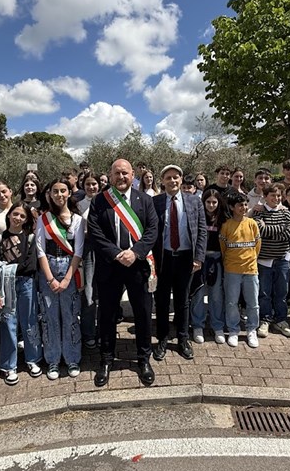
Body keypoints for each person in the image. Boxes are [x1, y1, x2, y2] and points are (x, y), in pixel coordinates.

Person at [88, 159, 158, 387]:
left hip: (137, 265)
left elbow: (152, 230)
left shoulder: (145, 200)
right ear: (110, 175)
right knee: (107, 315)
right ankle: (106, 360)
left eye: (125, 173)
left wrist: (135, 252)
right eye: (117, 173)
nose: (121, 177)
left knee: (143, 314)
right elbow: (96, 233)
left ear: (132, 175)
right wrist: (118, 254)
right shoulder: (99, 201)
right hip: (110, 266)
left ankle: (143, 358)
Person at [151, 165, 207, 361]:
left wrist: (199, 257)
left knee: (183, 301)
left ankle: (183, 339)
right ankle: (163, 339)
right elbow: (150, 232)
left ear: (181, 180)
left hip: (186, 259)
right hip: (163, 258)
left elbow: (202, 230)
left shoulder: (194, 201)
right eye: (168, 178)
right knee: (162, 301)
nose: (172, 181)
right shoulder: (155, 202)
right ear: (163, 181)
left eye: (176, 177)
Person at [0, 202, 43, 383]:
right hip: (5, 286)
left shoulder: (30, 238)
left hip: (26, 284)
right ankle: (9, 365)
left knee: (30, 321)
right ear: (9, 215)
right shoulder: (0, 237)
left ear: (26, 219)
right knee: (8, 324)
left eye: (22, 216)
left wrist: (6, 268)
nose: (18, 218)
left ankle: (32, 358)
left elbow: (30, 265)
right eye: (15, 214)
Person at [36, 178, 84, 380]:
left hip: (69, 270)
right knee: (50, 317)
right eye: (55, 191)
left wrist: (65, 280)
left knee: (70, 315)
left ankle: (72, 357)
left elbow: (78, 252)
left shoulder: (78, 220)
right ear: (49, 194)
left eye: (63, 190)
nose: (59, 195)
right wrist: (50, 279)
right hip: (48, 269)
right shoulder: (43, 219)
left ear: (69, 193)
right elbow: (40, 250)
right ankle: (53, 360)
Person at [253, 183, 290, 339]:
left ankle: (281, 320)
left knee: (281, 292)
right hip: (264, 260)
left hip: (282, 259)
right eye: (273, 196)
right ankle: (265, 319)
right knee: (264, 293)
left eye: (278, 196)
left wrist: (269, 229)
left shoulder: (286, 213)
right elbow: (260, 231)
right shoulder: (259, 213)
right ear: (265, 197)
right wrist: (279, 228)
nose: (276, 199)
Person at [219, 192, 262, 348]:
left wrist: (250, 260)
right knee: (231, 302)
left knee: (253, 303)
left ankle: (252, 329)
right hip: (231, 270)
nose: (243, 208)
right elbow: (223, 248)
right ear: (232, 207)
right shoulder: (226, 226)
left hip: (251, 269)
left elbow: (257, 246)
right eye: (240, 205)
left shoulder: (252, 224)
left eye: (245, 205)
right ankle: (233, 330)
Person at [191, 190, 228, 343]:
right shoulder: (198, 216)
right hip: (200, 258)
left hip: (217, 259)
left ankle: (217, 325)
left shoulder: (224, 218)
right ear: (203, 202)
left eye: (214, 202)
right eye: (208, 202)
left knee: (216, 294)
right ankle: (197, 325)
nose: (211, 205)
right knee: (198, 293)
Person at [77, 173, 101, 349]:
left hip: (105, 250)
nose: (91, 187)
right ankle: (88, 332)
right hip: (87, 251)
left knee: (106, 293)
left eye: (94, 184)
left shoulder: (107, 202)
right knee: (89, 293)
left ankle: (104, 330)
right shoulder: (78, 204)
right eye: (88, 184)